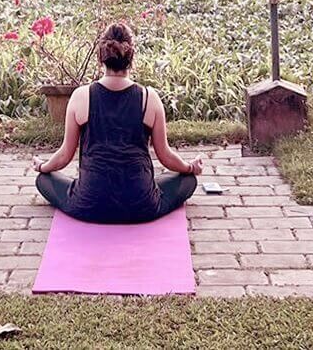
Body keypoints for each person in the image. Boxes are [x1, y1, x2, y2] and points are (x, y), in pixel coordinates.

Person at [33, 22, 203, 224]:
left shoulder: (81, 96)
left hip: (90, 205)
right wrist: (190, 168)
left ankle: (85, 188)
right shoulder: (149, 97)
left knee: (44, 180)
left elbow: (64, 155)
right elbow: (165, 156)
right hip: (141, 206)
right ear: (131, 56)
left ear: (101, 57)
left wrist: (43, 167)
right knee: (187, 181)